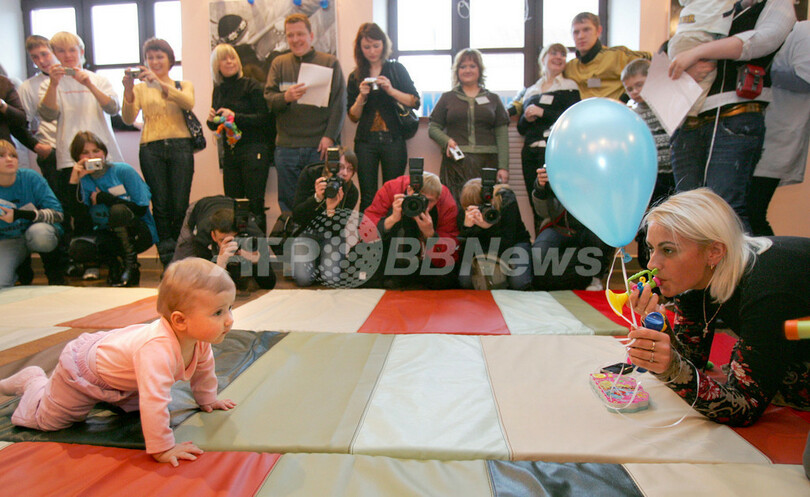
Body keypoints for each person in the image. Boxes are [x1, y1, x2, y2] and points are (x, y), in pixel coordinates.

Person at [0, 257, 238, 466]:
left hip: (120, 373)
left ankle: (110, 394)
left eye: (230, 308)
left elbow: (204, 371)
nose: (229, 320)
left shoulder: (199, 341)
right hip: (83, 371)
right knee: (50, 421)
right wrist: (163, 448)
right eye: (218, 312)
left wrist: (208, 400)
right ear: (180, 321)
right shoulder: (157, 351)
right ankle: (33, 381)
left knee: (134, 411)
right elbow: (153, 401)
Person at [628, 188, 810, 426]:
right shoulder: (695, 278)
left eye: (668, 250)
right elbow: (692, 359)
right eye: (652, 248)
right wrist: (657, 325)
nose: (652, 263)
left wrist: (671, 367)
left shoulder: (768, 291)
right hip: (797, 332)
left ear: (714, 252)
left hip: (797, 329)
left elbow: (745, 407)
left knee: (782, 381)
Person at [667, 0, 796, 233]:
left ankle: (735, 259)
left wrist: (695, 53)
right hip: (686, 121)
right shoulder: (711, 4)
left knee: (725, 210)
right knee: (688, 212)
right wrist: (684, 63)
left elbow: (761, 41)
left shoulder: (777, 4)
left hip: (734, 115)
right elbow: (672, 52)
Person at [40, 31, 124, 280]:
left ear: (82, 52)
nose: (67, 56)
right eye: (61, 51)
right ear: (55, 54)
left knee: (108, 207)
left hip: (103, 155)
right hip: (70, 158)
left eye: (72, 50)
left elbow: (113, 108)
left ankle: (115, 260)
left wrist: (88, 84)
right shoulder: (49, 83)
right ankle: (88, 261)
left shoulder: (98, 79)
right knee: (79, 213)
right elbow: (47, 115)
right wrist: (54, 84)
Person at [122, 38, 196, 266]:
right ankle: (167, 259)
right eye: (150, 58)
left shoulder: (182, 85)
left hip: (181, 147)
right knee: (161, 206)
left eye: (159, 57)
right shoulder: (139, 89)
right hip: (150, 148)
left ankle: (181, 256)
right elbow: (127, 118)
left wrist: (160, 84)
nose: (154, 62)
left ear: (170, 60)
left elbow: (188, 103)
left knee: (180, 205)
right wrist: (128, 90)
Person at [264, 13, 346, 212]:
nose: (295, 39)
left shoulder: (329, 62)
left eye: (300, 34)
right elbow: (268, 100)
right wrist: (286, 97)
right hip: (286, 148)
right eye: (290, 35)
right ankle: (292, 234)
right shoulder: (279, 63)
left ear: (311, 35)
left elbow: (339, 104)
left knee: (323, 202)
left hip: (319, 147)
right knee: (288, 204)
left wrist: (329, 136)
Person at [68, 132, 157, 287]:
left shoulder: (122, 170)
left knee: (118, 210)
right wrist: (74, 181)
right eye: (85, 153)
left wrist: (105, 198)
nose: (92, 156)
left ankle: (131, 266)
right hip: (106, 233)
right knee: (79, 247)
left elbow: (141, 208)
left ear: (104, 152)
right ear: (77, 158)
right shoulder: (83, 180)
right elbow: (80, 217)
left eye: (96, 151)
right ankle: (114, 265)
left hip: (138, 231)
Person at [347, 23, 420, 211]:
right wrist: (361, 96)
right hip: (365, 142)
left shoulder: (396, 69)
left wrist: (391, 90)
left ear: (383, 45)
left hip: (393, 140)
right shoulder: (355, 75)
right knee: (368, 197)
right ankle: (367, 231)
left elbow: (415, 101)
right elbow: (353, 116)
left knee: (394, 194)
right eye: (367, 47)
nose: (372, 51)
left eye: (376, 45)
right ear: (360, 48)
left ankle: (391, 229)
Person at [749, 21, 810, 237]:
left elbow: (805, 79)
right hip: (754, 135)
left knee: (752, 213)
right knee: (743, 214)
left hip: (778, 136)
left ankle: (773, 259)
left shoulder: (804, 31)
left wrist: (756, 69)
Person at [207, 44, 274, 233]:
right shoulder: (218, 90)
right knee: (233, 205)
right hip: (231, 154)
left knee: (255, 204)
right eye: (224, 59)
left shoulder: (251, 85)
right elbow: (218, 125)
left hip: (254, 150)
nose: (229, 62)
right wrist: (211, 121)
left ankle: (259, 247)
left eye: (232, 58)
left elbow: (264, 118)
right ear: (217, 65)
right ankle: (237, 247)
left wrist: (235, 116)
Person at [429, 48, 509, 202]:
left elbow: (502, 135)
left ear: (480, 70)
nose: (467, 70)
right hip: (456, 164)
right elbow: (433, 127)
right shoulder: (447, 98)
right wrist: (446, 141)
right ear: (457, 71)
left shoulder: (493, 99)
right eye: (463, 66)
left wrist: (503, 167)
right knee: (455, 206)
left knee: (485, 205)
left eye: (472, 66)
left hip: (487, 162)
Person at [517, 43, 580, 230]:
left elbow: (572, 118)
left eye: (563, 54)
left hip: (554, 151)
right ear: (543, 58)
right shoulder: (531, 90)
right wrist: (526, 118)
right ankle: (540, 241)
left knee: (556, 200)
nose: (559, 57)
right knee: (535, 200)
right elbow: (521, 128)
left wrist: (542, 112)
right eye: (554, 53)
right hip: (530, 151)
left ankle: (558, 239)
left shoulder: (569, 86)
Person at [622, 58, 676, 269]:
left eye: (639, 85)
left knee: (672, 225)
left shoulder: (668, 106)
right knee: (649, 224)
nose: (635, 92)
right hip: (648, 180)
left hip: (672, 174)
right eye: (629, 89)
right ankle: (647, 270)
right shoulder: (632, 114)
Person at [362, 171, 459, 289]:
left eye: (429, 201)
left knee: (449, 279)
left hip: (423, 259)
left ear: (438, 199)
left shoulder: (445, 201)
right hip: (389, 251)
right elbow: (365, 231)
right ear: (409, 190)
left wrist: (431, 235)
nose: (424, 205)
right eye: (420, 198)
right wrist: (392, 219)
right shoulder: (392, 189)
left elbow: (449, 255)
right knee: (362, 274)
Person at [531, 166, 612, 291]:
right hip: (558, 227)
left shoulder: (597, 167)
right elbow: (542, 213)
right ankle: (580, 277)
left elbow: (606, 211)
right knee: (539, 260)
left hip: (591, 228)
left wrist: (588, 186)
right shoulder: (555, 168)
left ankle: (594, 277)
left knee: (601, 235)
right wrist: (540, 188)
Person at [172, 195, 276, 292]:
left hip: (229, 203)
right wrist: (220, 265)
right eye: (222, 240)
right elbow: (206, 286)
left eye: (232, 240)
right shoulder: (203, 237)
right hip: (201, 208)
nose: (227, 244)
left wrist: (257, 262)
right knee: (179, 272)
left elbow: (270, 284)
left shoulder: (255, 235)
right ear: (213, 236)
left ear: (239, 234)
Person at [290, 147, 359, 286]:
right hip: (306, 231)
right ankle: (315, 265)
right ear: (330, 166)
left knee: (331, 279)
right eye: (341, 167)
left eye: (350, 169)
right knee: (303, 280)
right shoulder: (311, 174)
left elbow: (338, 228)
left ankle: (320, 265)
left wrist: (330, 210)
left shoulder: (351, 191)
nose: (345, 173)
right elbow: (297, 216)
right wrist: (316, 198)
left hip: (332, 236)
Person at [0, 139, 63, 287]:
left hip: (38, 232)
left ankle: (55, 275)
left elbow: (58, 214)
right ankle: (22, 271)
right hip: (9, 239)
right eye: (2, 156)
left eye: (13, 155)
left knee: (40, 234)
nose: (9, 159)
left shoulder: (30, 177)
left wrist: (20, 215)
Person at [457, 176, 532, 290]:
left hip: (514, 243)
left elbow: (508, 244)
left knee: (519, 283)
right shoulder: (466, 212)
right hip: (482, 247)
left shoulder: (506, 201)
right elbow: (464, 253)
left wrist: (488, 228)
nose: (478, 212)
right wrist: (466, 229)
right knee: (465, 281)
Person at [668, 0, 737, 116]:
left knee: (681, 89)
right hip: (701, 38)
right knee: (693, 100)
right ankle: (684, 120)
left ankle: (676, 116)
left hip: (680, 36)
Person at [563, 12, 650, 100]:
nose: (581, 36)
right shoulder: (570, 67)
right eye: (576, 32)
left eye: (586, 30)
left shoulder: (618, 55)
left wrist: (625, 98)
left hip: (617, 107)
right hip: (584, 107)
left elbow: (651, 60)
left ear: (598, 31)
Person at [19, 35, 60, 195]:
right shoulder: (28, 87)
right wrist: (36, 146)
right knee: (59, 199)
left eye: (44, 54)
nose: (41, 61)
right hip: (51, 149)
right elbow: (20, 123)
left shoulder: (74, 78)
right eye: (35, 57)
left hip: (80, 147)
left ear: (54, 52)